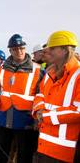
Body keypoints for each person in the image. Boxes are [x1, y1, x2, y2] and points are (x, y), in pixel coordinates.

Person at [0, 34, 43, 163]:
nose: (19, 51)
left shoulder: (38, 70)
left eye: (21, 48)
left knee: (24, 155)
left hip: (26, 120)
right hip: (3, 118)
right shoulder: (0, 69)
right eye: (15, 49)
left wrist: (37, 118)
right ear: (10, 51)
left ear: (25, 48)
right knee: (0, 153)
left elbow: (42, 95)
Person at [32, 31, 80, 163]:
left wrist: (45, 116)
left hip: (65, 151)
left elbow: (77, 111)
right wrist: (38, 110)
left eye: (52, 48)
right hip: (44, 144)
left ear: (65, 50)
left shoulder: (78, 75)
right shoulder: (50, 73)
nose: (47, 51)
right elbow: (39, 94)